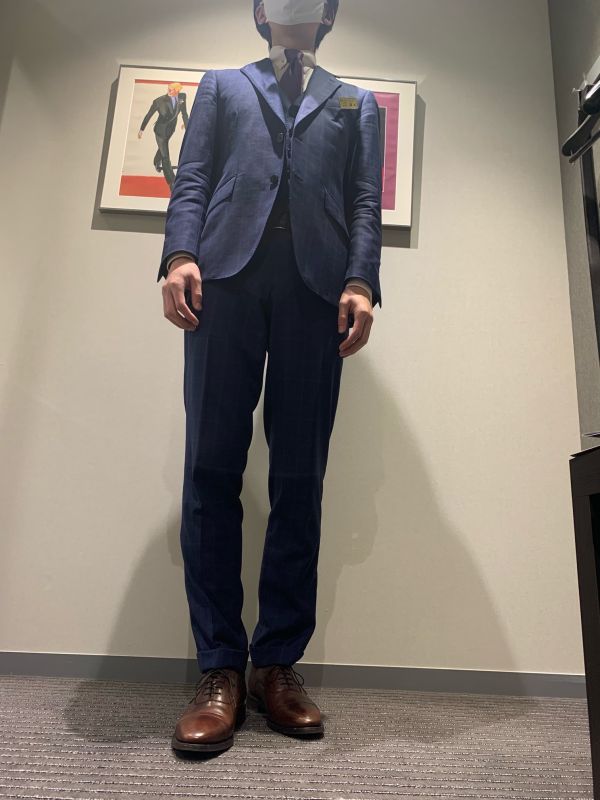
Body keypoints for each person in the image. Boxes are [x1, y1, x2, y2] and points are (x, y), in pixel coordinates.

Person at [158, 0, 383, 754]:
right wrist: (179, 256)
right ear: (260, 12)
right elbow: (193, 177)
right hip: (223, 283)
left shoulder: (355, 103)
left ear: (328, 13)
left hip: (316, 293)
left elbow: (363, 202)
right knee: (210, 469)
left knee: (298, 477)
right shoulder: (222, 85)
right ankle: (219, 667)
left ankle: (276, 664)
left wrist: (361, 280)